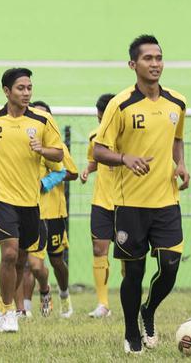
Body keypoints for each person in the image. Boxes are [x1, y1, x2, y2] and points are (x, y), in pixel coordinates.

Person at [93, 34, 190, 354]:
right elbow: (99, 150)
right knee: (134, 272)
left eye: (159, 57)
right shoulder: (120, 104)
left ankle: (148, 310)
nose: (155, 64)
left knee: (171, 265)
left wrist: (181, 164)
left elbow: (177, 138)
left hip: (166, 200)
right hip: (129, 203)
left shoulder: (177, 102)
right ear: (133, 65)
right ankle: (132, 330)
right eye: (148, 58)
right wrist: (125, 158)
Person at [0, 67, 63, 335]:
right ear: (7, 91)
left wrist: (43, 150)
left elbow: (58, 155)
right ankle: (8, 310)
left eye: (29, 88)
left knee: (20, 260)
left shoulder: (42, 121)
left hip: (30, 201)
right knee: (8, 253)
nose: (26, 93)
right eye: (21, 88)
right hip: (1, 198)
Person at [27, 101, 79, 319]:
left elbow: (73, 172)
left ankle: (64, 294)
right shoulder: (24, 143)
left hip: (55, 213)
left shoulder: (58, 147)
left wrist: (51, 179)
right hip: (30, 210)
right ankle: (26, 308)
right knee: (31, 265)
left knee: (57, 261)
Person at [80, 93, 116, 318]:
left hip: (127, 201)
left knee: (128, 255)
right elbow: (95, 160)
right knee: (99, 249)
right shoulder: (94, 136)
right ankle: (103, 304)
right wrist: (88, 169)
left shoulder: (130, 135)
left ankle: (129, 297)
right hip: (102, 202)